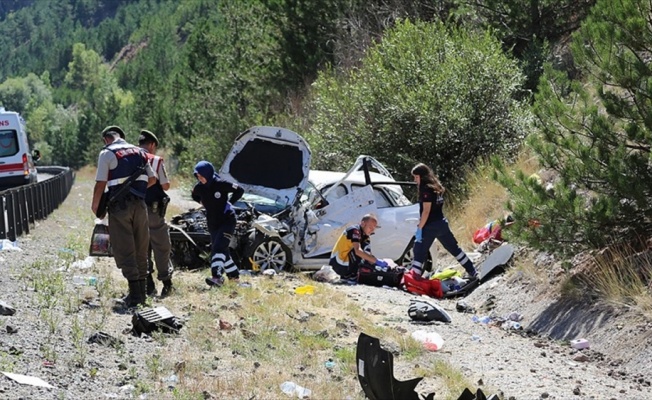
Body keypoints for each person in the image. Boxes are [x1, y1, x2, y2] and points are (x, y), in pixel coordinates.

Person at [91, 126, 155, 308]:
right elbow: (152, 179)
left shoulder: (107, 153)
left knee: (124, 248)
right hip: (141, 205)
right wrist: (136, 190)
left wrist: (96, 206)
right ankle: (141, 295)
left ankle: (134, 296)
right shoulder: (140, 152)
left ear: (106, 139)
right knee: (141, 247)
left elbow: (100, 183)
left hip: (120, 208)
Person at [410, 163, 477, 278]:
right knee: (455, 249)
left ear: (422, 176)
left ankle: (413, 279)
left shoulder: (426, 190)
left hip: (430, 226)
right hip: (442, 224)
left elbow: (426, 211)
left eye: (416, 177)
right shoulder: (436, 187)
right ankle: (472, 271)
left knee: (418, 250)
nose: (415, 180)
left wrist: (420, 227)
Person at [191, 160, 244, 286]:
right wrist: (201, 202)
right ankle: (234, 277)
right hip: (212, 222)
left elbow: (240, 190)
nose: (200, 179)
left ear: (208, 174)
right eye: (198, 176)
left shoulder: (220, 183)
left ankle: (217, 276)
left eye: (202, 176)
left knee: (218, 248)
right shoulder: (199, 187)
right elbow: (194, 195)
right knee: (223, 250)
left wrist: (230, 202)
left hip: (227, 220)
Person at [138, 129, 174, 298]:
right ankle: (166, 283)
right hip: (153, 211)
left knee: (141, 246)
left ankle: (148, 284)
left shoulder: (129, 158)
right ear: (152, 145)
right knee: (161, 245)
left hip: (134, 211)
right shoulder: (156, 160)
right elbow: (165, 186)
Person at [329, 213, 388, 280]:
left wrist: (377, 264)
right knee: (359, 251)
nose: (372, 230)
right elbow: (358, 251)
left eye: (374, 228)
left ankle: (355, 274)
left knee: (367, 255)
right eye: (370, 227)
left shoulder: (366, 236)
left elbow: (368, 254)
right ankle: (350, 275)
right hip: (338, 263)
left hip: (345, 262)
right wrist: (376, 261)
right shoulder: (354, 230)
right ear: (363, 224)